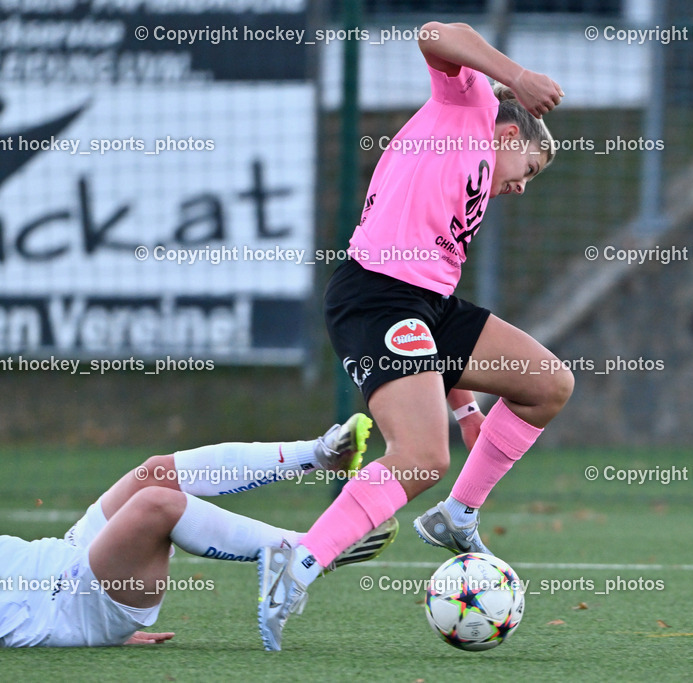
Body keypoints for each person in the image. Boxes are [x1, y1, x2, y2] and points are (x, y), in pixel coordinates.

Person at [258, 21, 574, 651]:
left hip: (425, 304)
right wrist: (516, 77)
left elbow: (430, 315)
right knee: (421, 457)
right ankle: (298, 561)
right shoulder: (471, 105)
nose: (520, 184)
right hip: (376, 295)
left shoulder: (479, 177)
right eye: (528, 168)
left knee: (548, 385)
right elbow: (436, 31)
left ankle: (457, 514)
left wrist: (465, 405)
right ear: (510, 133)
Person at [0, 414, 396, 647]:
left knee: (154, 472)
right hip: (65, 606)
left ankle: (316, 454)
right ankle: (304, 551)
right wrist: (91, 630)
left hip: (68, 563)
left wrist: (109, 636)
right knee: (157, 505)